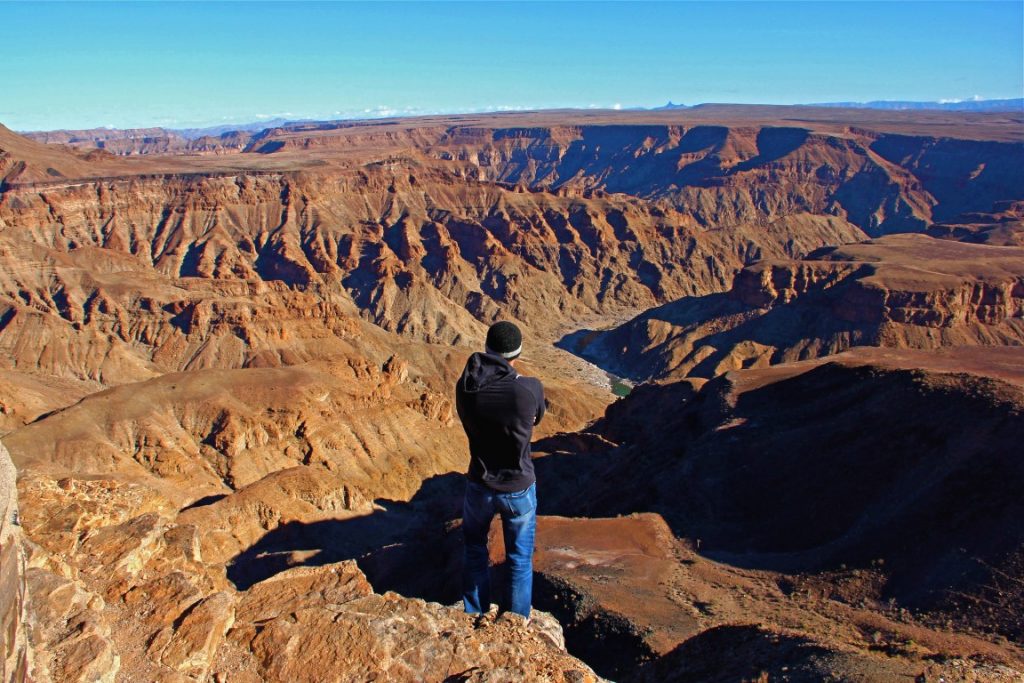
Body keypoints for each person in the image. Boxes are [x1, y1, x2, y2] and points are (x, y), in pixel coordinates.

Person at [455, 320, 545, 620]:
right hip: (518, 487)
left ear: (487, 347)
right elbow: (536, 419)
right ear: (516, 353)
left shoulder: (466, 387)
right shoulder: (528, 389)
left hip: (479, 483)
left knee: (474, 548)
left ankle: (474, 612)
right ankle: (516, 622)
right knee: (519, 559)